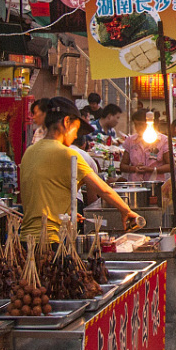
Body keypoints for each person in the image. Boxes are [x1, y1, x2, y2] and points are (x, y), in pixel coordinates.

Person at [19, 97, 143, 243]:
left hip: (25, 240)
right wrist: (126, 211)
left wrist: (65, 213)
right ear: (66, 122)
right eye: (75, 129)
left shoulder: (29, 152)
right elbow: (103, 190)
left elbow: (42, 194)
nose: (75, 136)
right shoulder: (67, 154)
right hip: (52, 241)